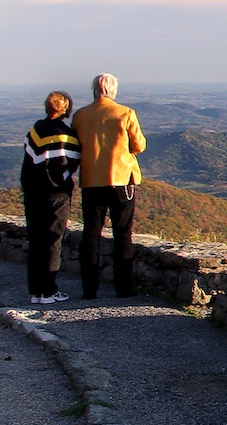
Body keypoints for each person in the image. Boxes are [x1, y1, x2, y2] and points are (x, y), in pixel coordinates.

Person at [72, 73, 146, 299]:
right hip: (121, 180)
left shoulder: (81, 116)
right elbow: (139, 145)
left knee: (91, 234)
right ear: (113, 91)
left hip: (92, 180)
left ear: (94, 90)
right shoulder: (125, 113)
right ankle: (123, 288)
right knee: (122, 234)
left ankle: (89, 288)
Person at [20, 91, 80, 304]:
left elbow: (29, 161)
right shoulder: (68, 135)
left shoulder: (35, 130)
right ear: (66, 109)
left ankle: (35, 290)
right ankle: (48, 290)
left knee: (35, 238)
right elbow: (71, 165)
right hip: (56, 194)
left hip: (32, 191)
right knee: (53, 240)